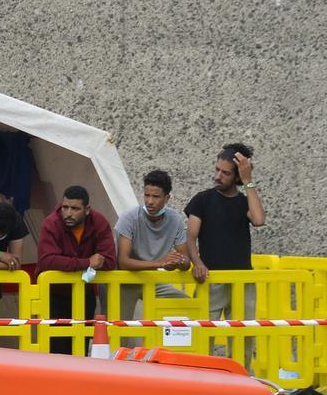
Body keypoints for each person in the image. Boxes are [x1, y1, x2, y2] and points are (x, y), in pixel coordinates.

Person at [184, 143, 266, 363]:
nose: (218, 176)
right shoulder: (202, 200)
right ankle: (200, 385)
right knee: (202, 336)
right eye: (217, 170)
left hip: (242, 281)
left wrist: (248, 180)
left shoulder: (244, 201)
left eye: (226, 172)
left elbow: (258, 220)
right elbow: (190, 237)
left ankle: (242, 383)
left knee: (244, 337)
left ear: (238, 175)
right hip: (211, 279)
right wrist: (197, 263)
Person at [37, 185, 116, 354]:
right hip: (52, 294)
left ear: (87, 209)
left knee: (80, 347)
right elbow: (47, 261)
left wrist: (95, 261)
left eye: (75, 208)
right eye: (65, 207)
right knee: (56, 349)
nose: (68, 213)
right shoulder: (51, 223)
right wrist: (87, 262)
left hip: (84, 293)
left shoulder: (99, 222)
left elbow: (109, 260)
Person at [114, 170, 191, 320]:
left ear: (167, 198)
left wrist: (178, 262)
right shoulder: (129, 218)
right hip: (123, 280)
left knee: (187, 307)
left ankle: (170, 344)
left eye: (155, 196)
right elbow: (123, 262)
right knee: (119, 331)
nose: (149, 201)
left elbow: (186, 260)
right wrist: (160, 263)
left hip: (151, 278)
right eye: (146, 195)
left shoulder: (175, 220)